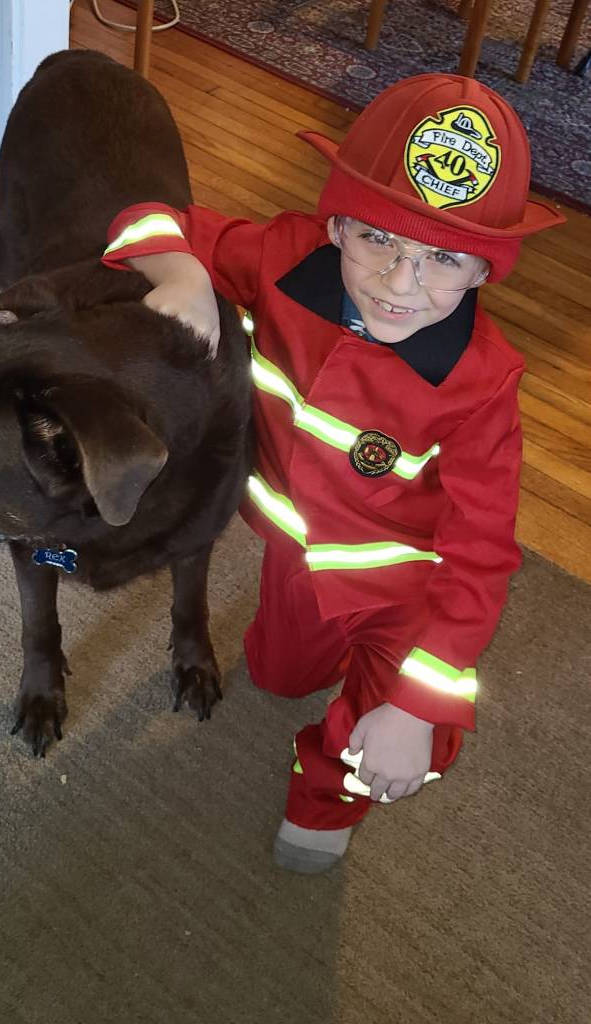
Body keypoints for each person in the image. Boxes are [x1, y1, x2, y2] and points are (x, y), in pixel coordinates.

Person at [100, 74, 565, 873]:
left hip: (407, 591)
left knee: (405, 735)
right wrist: (181, 275)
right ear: (337, 225)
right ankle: (334, 680)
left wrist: (416, 707)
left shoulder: (483, 384)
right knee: (280, 676)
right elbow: (147, 218)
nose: (400, 281)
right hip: (293, 557)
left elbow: (482, 555)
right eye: (378, 239)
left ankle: (323, 799)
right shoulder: (282, 259)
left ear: (484, 274)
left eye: (443, 258)